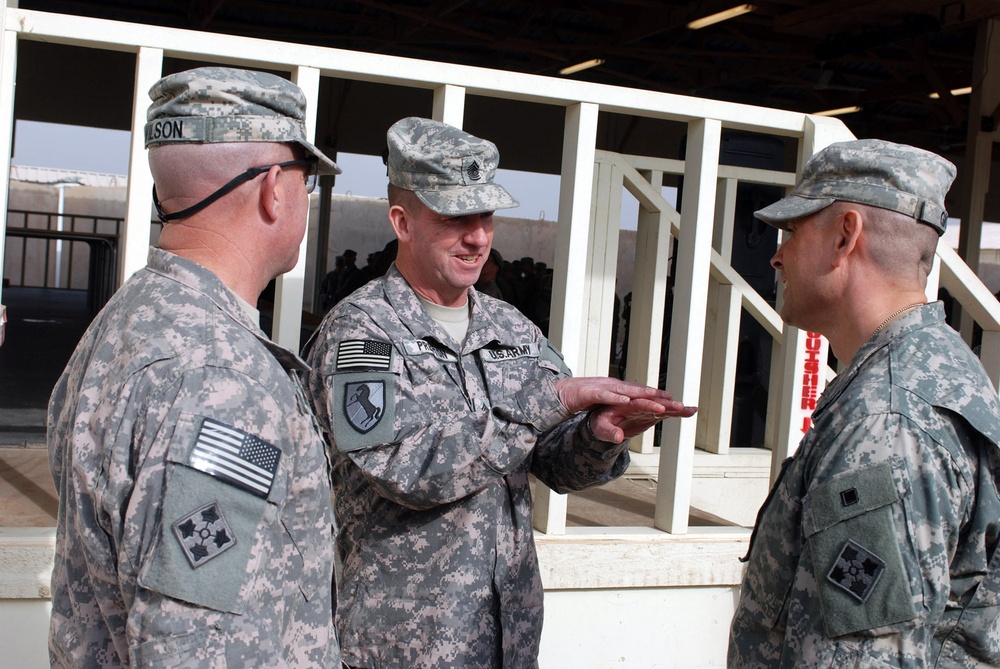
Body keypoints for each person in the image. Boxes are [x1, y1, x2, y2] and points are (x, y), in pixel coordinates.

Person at [305, 116, 697, 668]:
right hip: (403, 648)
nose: (479, 237)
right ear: (403, 221)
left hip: (504, 640)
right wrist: (547, 402)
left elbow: (555, 464)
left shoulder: (511, 327)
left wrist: (598, 435)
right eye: (456, 217)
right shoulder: (362, 333)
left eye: (485, 215)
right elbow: (403, 468)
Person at [47, 67, 343, 667]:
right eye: (305, 184)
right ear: (274, 189)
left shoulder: (128, 319)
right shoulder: (224, 380)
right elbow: (198, 648)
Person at [728, 139, 1000, 667]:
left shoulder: (886, 421)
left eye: (794, 231)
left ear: (846, 235)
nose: (777, 255)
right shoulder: (931, 368)